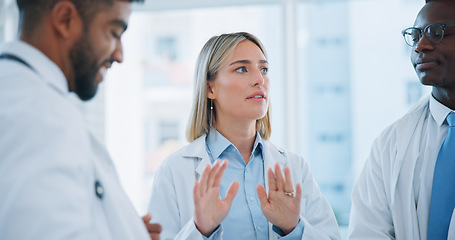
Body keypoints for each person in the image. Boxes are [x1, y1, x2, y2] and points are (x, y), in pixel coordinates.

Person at [147, 32, 341, 240]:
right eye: (242, 69)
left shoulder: (295, 166)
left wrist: (293, 229)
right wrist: (201, 231)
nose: (260, 79)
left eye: (264, 69)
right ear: (210, 88)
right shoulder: (174, 171)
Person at [0, 0, 161, 239]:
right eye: (113, 33)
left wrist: (117, 227)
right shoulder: (42, 117)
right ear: (65, 19)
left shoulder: (18, 91)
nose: (120, 55)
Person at [348, 0, 455, 239]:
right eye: (416, 36)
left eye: (436, 33)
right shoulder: (390, 143)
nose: (420, 46)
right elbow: (367, 232)